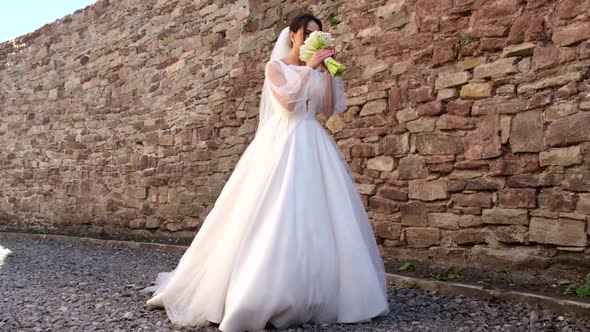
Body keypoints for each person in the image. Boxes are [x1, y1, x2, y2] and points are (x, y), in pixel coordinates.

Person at [143, 13, 391, 332]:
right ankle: (257, 292)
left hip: (313, 141)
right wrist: (310, 67)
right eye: (308, 34)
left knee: (320, 216)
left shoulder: (318, 70)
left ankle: (322, 292)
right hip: (282, 142)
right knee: (273, 211)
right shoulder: (275, 68)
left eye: (319, 34)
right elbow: (287, 105)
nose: (313, 39)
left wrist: (328, 73)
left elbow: (328, 110)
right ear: (293, 36)